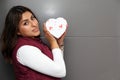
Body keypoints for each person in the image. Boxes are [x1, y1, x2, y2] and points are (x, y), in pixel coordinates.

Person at [1, 5, 67, 80]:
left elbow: (58, 65)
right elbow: (61, 72)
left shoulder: (35, 42)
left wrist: (59, 43)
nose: (34, 24)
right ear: (17, 31)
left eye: (32, 18)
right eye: (26, 23)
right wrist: (53, 42)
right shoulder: (24, 49)